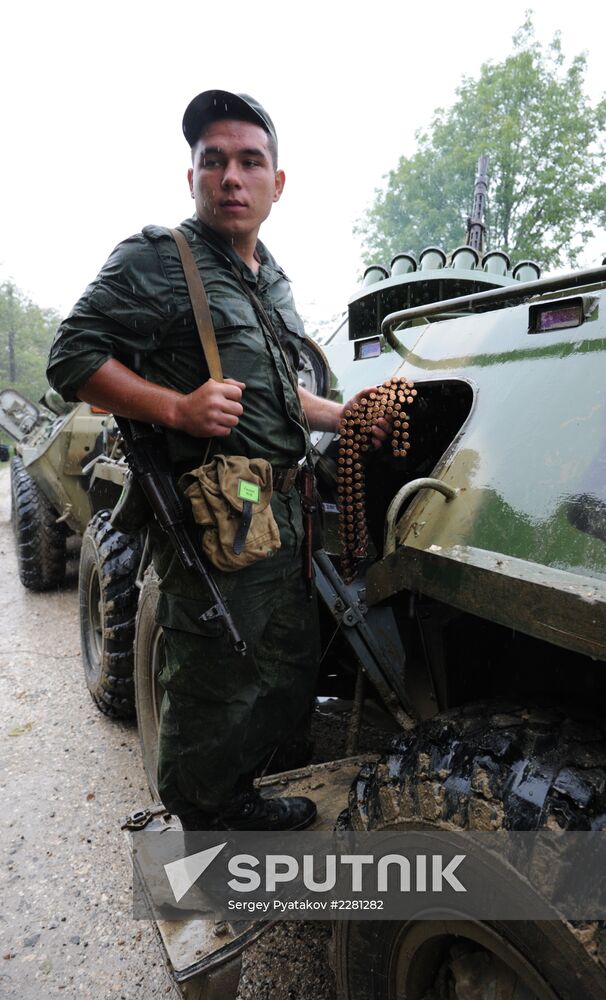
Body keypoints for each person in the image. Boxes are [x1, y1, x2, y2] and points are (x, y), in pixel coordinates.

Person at [47, 90, 388, 832]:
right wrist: (175, 408)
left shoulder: (272, 280)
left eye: (249, 161)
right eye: (214, 161)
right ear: (192, 177)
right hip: (213, 516)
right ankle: (204, 818)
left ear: (277, 181)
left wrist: (344, 416)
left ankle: (252, 780)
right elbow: (70, 357)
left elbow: (281, 393)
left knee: (279, 663)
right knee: (212, 672)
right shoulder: (158, 260)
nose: (231, 176)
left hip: (278, 515)